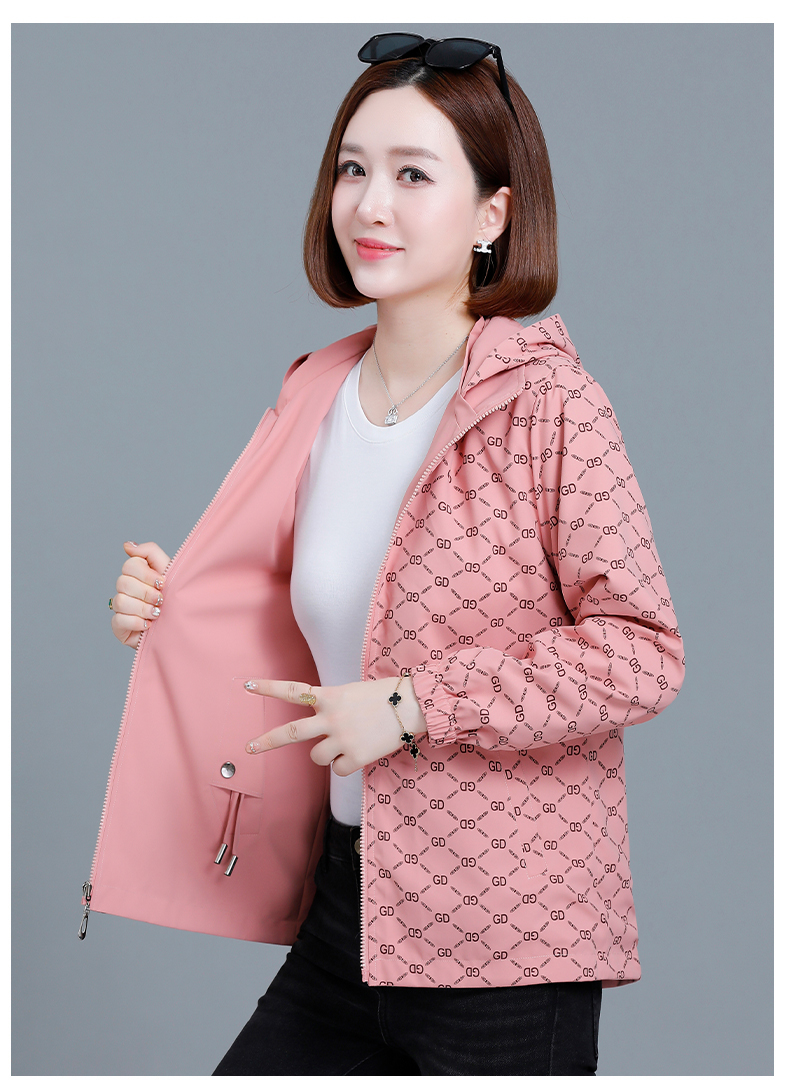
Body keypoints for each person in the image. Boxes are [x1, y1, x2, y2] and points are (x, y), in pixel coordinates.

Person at [90, 34, 685, 1076]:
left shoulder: (550, 403)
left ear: (492, 215)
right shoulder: (315, 390)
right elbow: (296, 615)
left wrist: (414, 704)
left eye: (414, 175)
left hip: (510, 943)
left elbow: (643, 652)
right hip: (348, 905)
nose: (370, 204)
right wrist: (170, 605)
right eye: (353, 168)